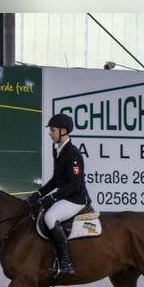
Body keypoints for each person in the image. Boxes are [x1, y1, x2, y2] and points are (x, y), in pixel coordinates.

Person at [27, 113, 90, 275]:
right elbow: (56, 180)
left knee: (50, 217)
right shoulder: (60, 151)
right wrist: (39, 193)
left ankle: (65, 262)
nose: (50, 133)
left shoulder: (73, 153)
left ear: (63, 131)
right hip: (66, 197)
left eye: (53, 130)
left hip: (76, 199)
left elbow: (74, 184)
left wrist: (53, 198)